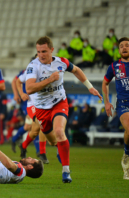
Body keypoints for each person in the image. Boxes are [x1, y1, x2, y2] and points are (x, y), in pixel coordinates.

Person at [25, 36, 102, 183]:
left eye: (44, 51)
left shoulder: (61, 62)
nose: (41, 54)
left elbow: (77, 70)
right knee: (53, 141)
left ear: (52, 50)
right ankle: (60, 151)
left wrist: (90, 87)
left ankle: (66, 171)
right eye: (39, 51)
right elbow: (29, 88)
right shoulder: (33, 66)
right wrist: (49, 80)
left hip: (59, 102)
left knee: (60, 132)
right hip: (41, 108)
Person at [102, 37, 129, 180]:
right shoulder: (114, 66)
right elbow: (105, 83)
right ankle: (126, 153)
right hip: (124, 103)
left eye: (127, 45)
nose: (124, 48)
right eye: (121, 46)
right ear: (119, 50)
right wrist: (107, 102)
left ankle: (128, 167)